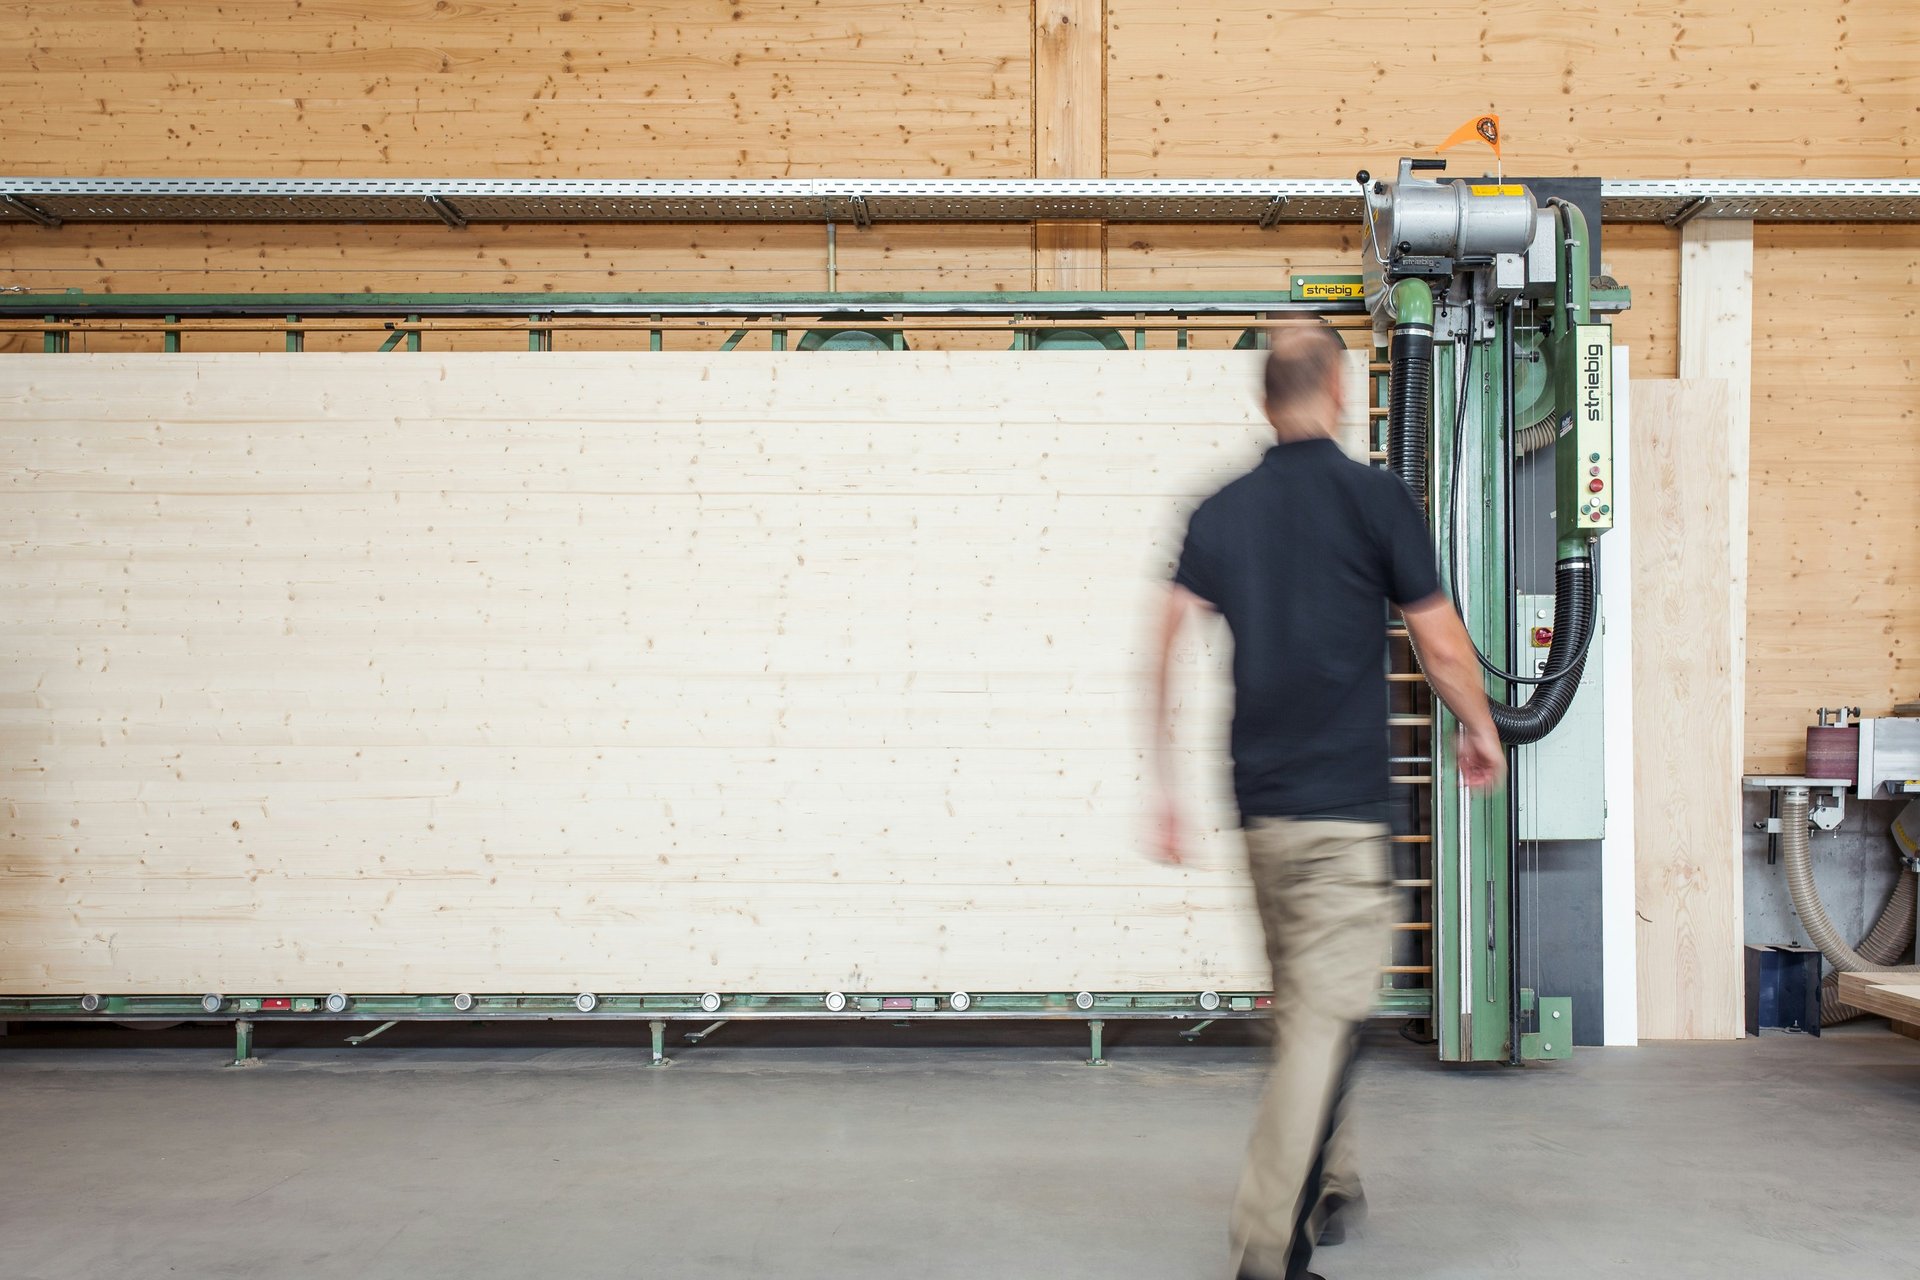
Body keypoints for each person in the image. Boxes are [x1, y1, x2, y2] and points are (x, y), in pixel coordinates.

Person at [1149, 325, 1505, 1280]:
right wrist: (1479, 724)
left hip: (1262, 810)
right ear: (1339, 390)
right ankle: (1268, 1242)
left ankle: (1332, 1181)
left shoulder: (1220, 510)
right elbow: (1440, 644)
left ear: (1268, 400)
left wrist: (1164, 784)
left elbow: (1167, 638)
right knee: (1321, 1017)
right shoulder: (1374, 498)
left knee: (1310, 1010)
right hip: (1346, 814)